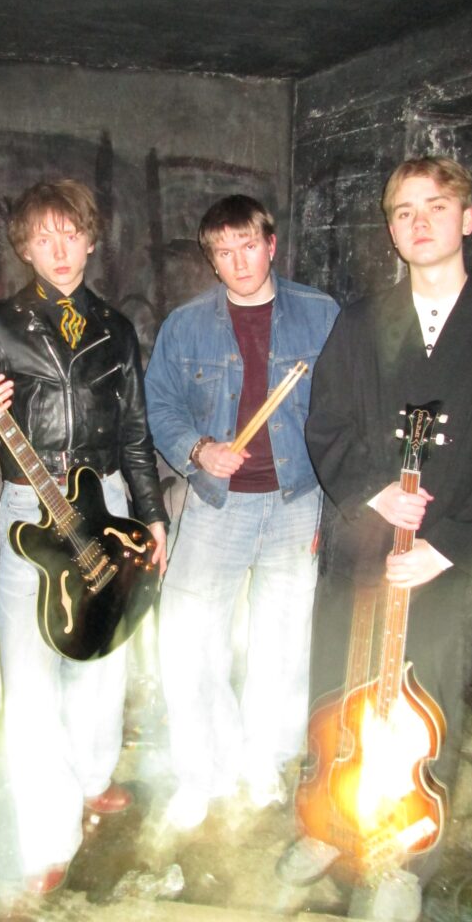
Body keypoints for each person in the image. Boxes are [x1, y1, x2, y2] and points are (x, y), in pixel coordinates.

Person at [281, 155, 472, 920]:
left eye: (436, 207)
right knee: (336, 691)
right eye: (403, 211)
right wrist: (373, 489)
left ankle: (403, 860)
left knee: (426, 711)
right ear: (391, 230)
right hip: (361, 549)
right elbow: (325, 423)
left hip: (446, 559)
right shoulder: (360, 322)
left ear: (469, 219)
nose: (418, 223)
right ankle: (327, 824)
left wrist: (448, 544)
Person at [0, 178, 168, 903]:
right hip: (30, 507)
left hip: (106, 500)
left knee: (102, 656)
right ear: (24, 247)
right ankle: (48, 835)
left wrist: (152, 517)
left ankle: (92, 776)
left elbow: (135, 433)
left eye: (71, 234)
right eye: (44, 238)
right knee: (29, 676)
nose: (60, 250)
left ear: (90, 238)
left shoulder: (116, 327)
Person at [144, 194, 338, 830]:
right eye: (224, 252)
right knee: (188, 641)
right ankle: (201, 771)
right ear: (211, 260)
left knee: (281, 641)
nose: (239, 262)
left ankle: (262, 761)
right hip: (216, 503)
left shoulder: (321, 314)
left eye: (248, 246)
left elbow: (346, 406)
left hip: (296, 502)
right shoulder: (185, 325)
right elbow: (161, 406)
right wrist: (198, 449)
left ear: (271, 244)